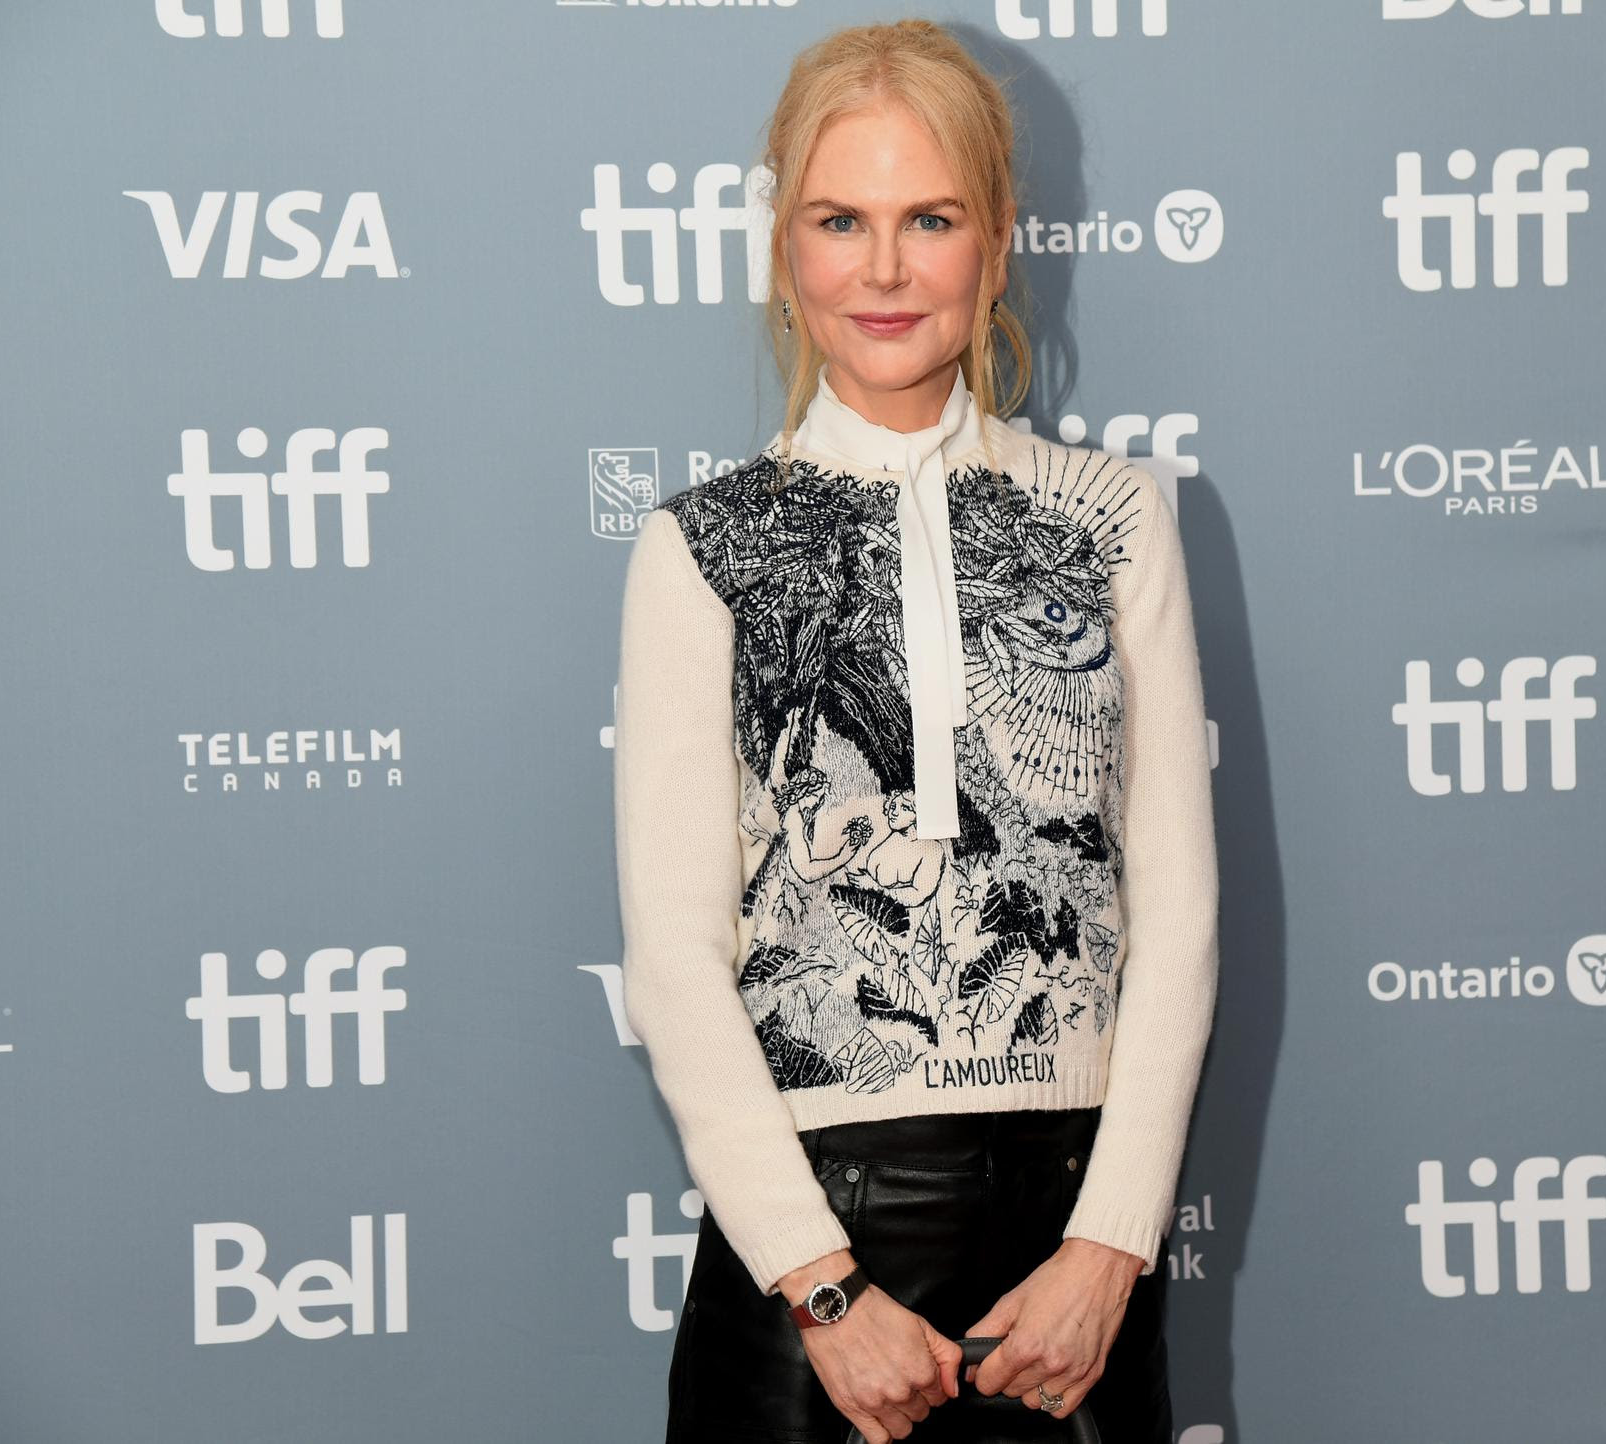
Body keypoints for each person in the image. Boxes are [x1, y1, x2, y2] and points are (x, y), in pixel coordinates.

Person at [614, 19, 1219, 1443]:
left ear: (995, 248)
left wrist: (1109, 1251)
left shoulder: (1114, 516)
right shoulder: (701, 547)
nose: (883, 270)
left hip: (1072, 1276)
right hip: (807, 1273)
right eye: (841, 221)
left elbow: (1178, 914)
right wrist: (822, 1288)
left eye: (930, 219)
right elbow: (675, 960)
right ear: (786, 254)